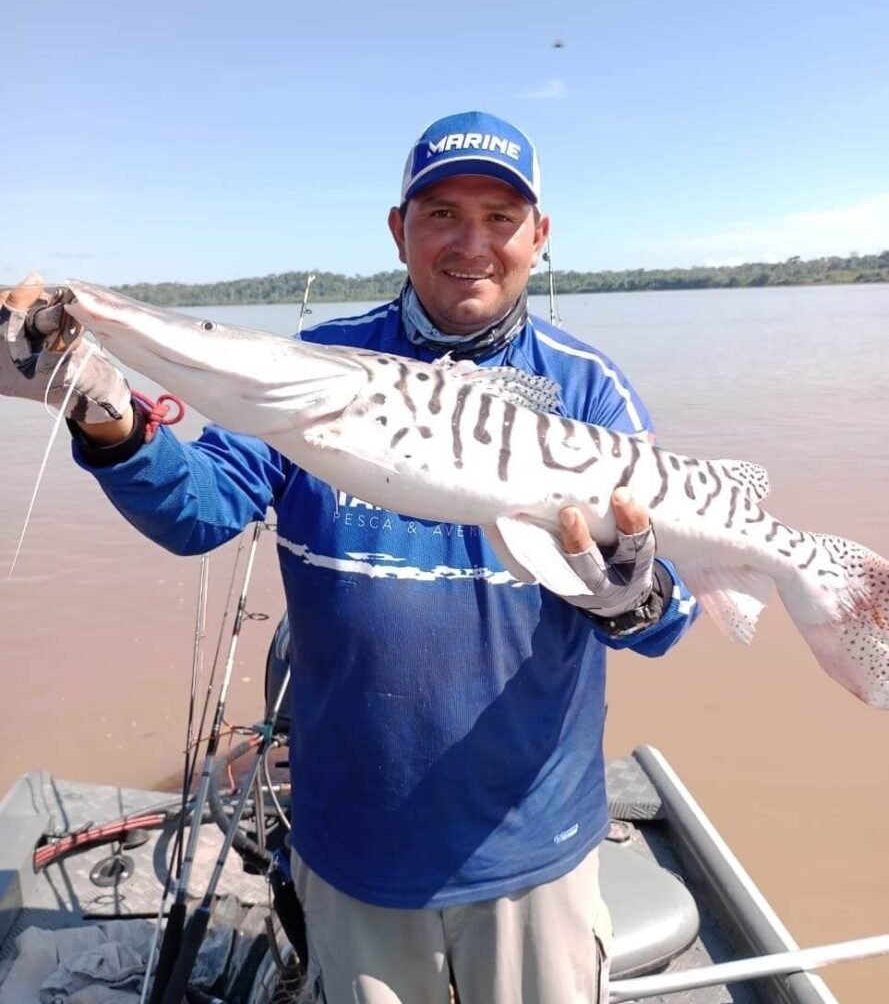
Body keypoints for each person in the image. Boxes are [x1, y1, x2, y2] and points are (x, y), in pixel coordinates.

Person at [1, 110, 698, 1004]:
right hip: (353, 844)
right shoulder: (316, 365)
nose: (471, 242)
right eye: (441, 213)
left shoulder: (588, 386)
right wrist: (105, 410)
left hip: (534, 845)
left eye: (499, 216)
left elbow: (668, 620)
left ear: (539, 235)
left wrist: (632, 599)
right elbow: (198, 513)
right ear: (398, 230)